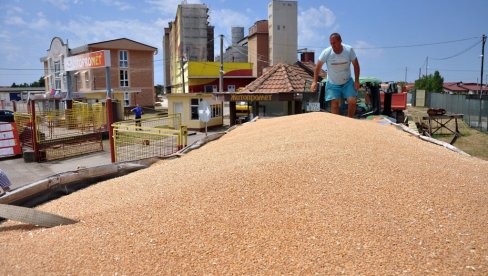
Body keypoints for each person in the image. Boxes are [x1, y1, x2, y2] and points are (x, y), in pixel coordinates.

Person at [311, 33, 360, 118]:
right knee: (334, 104)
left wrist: (356, 80)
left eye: (334, 43)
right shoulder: (326, 52)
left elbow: (356, 65)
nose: (333, 45)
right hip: (333, 83)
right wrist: (314, 81)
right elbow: (317, 67)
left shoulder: (349, 50)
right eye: (331, 43)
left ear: (340, 41)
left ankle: (350, 120)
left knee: (352, 100)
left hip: (347, 82)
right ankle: (336, 125)